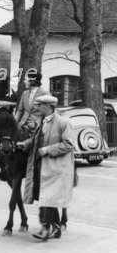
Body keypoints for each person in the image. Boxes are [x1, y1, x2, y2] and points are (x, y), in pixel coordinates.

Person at [16, 94, 75, 241]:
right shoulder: (42, 121)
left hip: (56, 168)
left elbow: (69, 144)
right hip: (41, 166)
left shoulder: (63, 122)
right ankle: (55, 227)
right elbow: (36, 139)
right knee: (46, 196)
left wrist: (49, 149)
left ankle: (45, 228)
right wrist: (26, 143)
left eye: (39, 105)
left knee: (46, 197)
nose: (36, 108)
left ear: (48, 107)